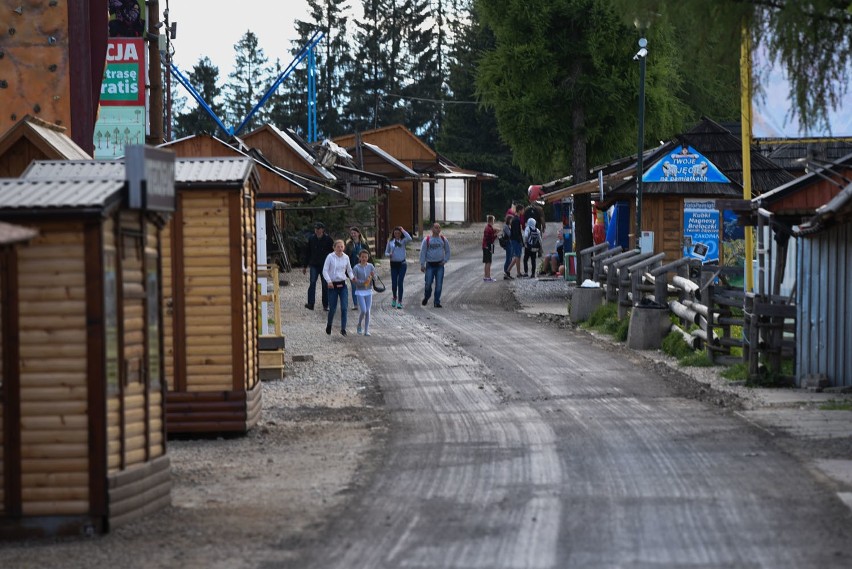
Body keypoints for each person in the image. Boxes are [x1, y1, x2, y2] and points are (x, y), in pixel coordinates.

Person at [322, 239, 354, 335]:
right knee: (333, 308)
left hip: (343, 285)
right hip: (333, 285)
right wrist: (329, 281)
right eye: (338, 247)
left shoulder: (346, 257)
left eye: (341, 247)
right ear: (334, 247)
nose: (340, 248)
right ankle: (329, 324)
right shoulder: (330, 257)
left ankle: (343, 329)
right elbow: (325, 270)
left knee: (344, 308)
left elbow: (349, 270)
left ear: (344, 247)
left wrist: (352, 278)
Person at [303, 222, 334, 311]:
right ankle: (311, 303)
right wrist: (305, 266)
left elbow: (332, 254)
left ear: (322, 230)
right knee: (312, 283)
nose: (317, 230)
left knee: (325, 285)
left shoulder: (328, 239)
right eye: (315, 229)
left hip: (325, 266)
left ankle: (325, 304)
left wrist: (332, 265)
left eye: (318, 228)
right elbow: (308, 252)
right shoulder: (311, 238)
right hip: (314, 264)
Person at [419, 222, 451, 308]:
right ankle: (427, 296)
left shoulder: (443, 240)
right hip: (430, 265)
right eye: (436, 227)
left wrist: (445, 260)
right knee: (428, 283)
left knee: (439, 284)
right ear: (432, 229)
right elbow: (423, 252)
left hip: (440, 265)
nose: (438, 229)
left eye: (439, 227)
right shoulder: (427, 240)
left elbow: (448, 251)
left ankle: (437, 301)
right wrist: (422, 264)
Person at [384, 225, 412, 308]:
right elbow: (386, 252)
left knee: (400, 282)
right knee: (394, 283)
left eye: (398, 233)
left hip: (402, 264)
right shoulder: (390, 242)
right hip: (393, 264)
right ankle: (394, 298)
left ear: (400, 234)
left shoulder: (403, 241)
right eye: (395, 233)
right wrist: (389, 254)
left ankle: (400, 301)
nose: (396, 234)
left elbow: (409, 238)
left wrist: (403, 230)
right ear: (393, 234)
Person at [344, 227, 371, 310]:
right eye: (351, 233)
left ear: (358, 233)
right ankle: (355, 304)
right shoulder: (349, 244)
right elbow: (345, 256)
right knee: (354, 286)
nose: (353, 235)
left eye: (354, 233)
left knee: (364, 285)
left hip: (363, 268)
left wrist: (372, 266)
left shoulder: (363, 244)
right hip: (353, 268)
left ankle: (364, 302)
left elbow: (369, 255)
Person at [351, 249, 376, 336]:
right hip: (360, 291)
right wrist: (364, 282)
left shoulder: (371, 266)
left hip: (368, 291)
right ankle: (359, 324)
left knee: (368, 311)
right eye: (362, 257)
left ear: (368, 258)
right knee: (364, 310)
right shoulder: (356, 268)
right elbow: (355, 280)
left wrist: (373, 276)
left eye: (366, 257)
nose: (364, 259)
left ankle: (366, 330)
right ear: (359, 257)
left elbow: (375, 278)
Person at [507, 208, 523, 279]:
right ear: (519, 210)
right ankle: (517, 273)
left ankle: (508, 271)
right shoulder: (516, 220)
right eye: (522, 210)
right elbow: (517, 232)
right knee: (517, 256)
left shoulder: (515, 219)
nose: (523, 211)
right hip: (516, 240)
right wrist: (520, 240)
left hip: (515, 239)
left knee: (517, 256)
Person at [482, 215, 498, 281]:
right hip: (487, 246)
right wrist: (496, 234)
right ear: (491, 220)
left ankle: (486, 276)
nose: (494, 221)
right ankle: (488, 277)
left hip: (485, 246)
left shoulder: (488, 227)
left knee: (487, 262)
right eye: (493, 220)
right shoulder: (489, 228)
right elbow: (491, 238)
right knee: (488, 262)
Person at [501, 214, 514, 280]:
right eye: (511, 220)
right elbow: (509, 234)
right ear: (509, 220)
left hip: (511, 243)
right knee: (508, 259)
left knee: (510, 259)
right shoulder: (506, 226)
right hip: (508, 243)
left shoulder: (509, 226)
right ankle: (506, 272)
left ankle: (508, 273)